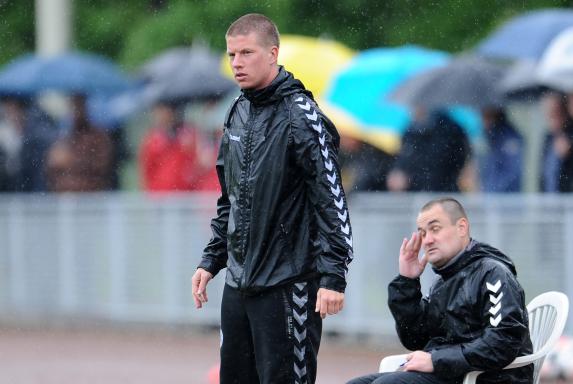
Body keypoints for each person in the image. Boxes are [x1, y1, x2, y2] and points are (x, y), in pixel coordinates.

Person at [191, 13, 353, 384]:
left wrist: (333, 277)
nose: (237, 63)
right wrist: (211, 259)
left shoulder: (303, 116)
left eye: (246, 52)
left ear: (272, 53)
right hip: (238, 284)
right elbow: (228, 199)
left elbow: (332, 202)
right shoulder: (237, 112)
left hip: (288, 284)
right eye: (232, 55)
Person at [348, 197, 533, 384]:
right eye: (422, 233)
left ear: (461, 227)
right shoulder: (443, 281)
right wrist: (407, 282)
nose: (427, 240)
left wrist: (436, 360)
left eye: (435, 229)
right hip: (452, 373)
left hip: (488, 377)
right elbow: (415, 339)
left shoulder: (493, 273)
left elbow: (503, 342)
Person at [139, 101, 218, 192]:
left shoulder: (190, 134)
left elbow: (198, 165)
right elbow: (147, 170)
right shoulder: (152, 139)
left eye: (162, 111)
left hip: (185, 193)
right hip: (161, 194)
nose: (158, 116)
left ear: (172, 111)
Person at [387, 108, 471, 192]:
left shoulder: (450, 129)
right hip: (416, 192)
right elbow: (404, 158)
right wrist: (399, 171)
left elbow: (462, 159)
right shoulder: (410, 131)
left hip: (443, 190)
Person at [46, 94, 114, 192]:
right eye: (72, 107)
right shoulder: (63, 136)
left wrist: (73, 159)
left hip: (90, 195)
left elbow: (101, 167)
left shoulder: (98, 136)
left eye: (78, 106)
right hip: (65, 195)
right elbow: (52, 169)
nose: (75, 112)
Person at [479, 107, 524, 192]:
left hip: (505, 198)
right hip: (492, 196)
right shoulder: (489, 135)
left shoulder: (510, 137)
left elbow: (513, 172)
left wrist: (494, 191)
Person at [539, 92, 573, 193]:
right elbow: (543, 171)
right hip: (549, 197)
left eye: (554, 112)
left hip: (566, 197)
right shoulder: (548, 137)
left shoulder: (569, 133)